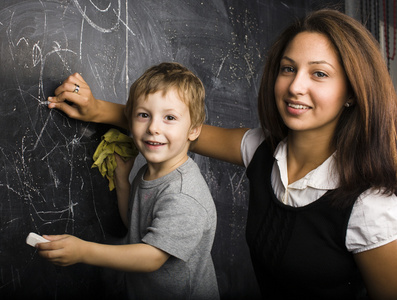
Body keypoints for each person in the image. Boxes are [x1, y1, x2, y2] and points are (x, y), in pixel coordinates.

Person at [46, 9, 397, 300]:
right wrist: (95, 110)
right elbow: (173, 131)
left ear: (352, 92)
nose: (295, 86)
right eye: (288, 68)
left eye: (319, 73)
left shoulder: (371, 207)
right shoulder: (261, 150)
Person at [38, 62, 219, 300]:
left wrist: (83, 251)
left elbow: (152, 256)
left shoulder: (184, 195)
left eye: (170, 117)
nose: (153, 127)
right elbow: (136, 226)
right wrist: (123, 180)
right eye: (144, 115)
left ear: (193, 130)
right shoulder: (148, 172)